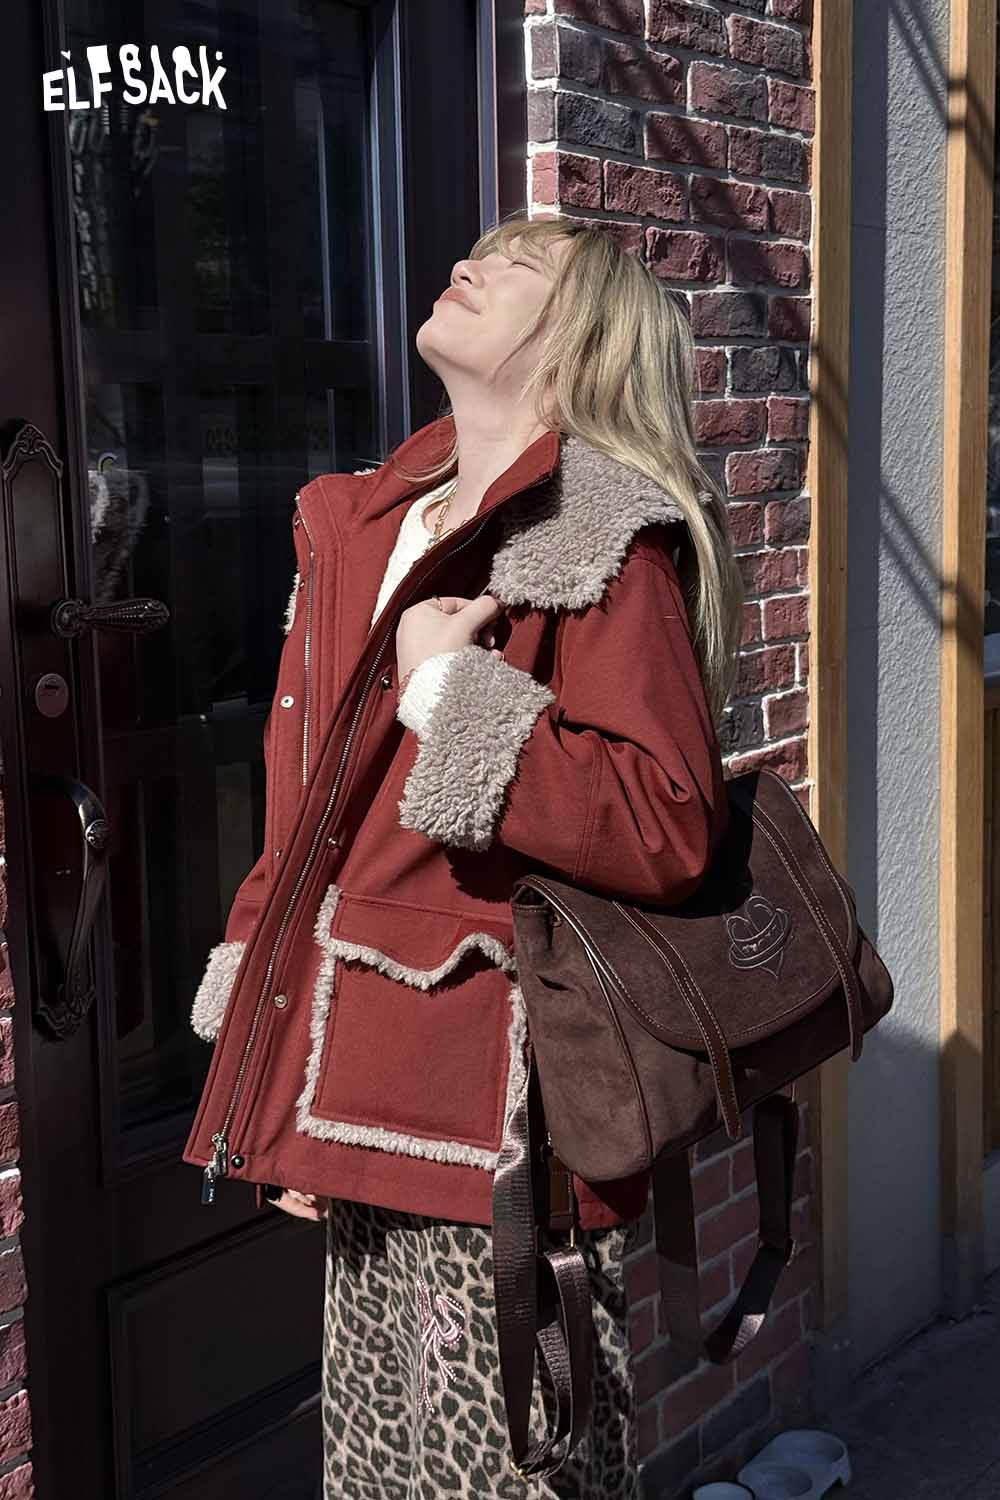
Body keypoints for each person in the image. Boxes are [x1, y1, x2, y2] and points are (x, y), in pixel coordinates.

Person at [183, 212, 741, 1499]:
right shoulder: (360, 523)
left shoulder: (600, 532)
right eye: (483, 248)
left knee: (515, 1476)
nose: (473, 263)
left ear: (578, 339)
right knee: (378, 1474)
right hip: (352, 1083)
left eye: (522, 264)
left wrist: (455, 701)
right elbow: (310, 819)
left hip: (503, 1122)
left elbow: (667, 820)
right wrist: (274, 1091)